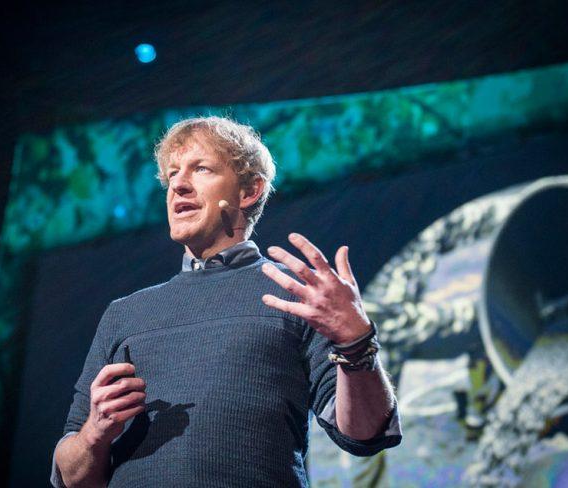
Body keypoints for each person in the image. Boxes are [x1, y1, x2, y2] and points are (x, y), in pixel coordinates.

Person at [51, 116, 402, 487]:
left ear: (250, 191)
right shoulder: (124, 314)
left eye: (200, 168)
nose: (178, 186)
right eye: (172, 175)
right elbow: (72, 478)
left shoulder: (297, 296)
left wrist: (356, 343)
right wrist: (95, 433)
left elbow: (364, 433)